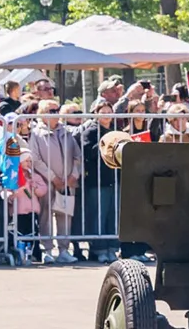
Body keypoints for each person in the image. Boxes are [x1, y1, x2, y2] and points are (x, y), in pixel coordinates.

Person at [28, 100, 83, 263]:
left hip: (68, 182)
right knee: (45, 215)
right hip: (47, 182)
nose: (56, 113)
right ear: (43, 114)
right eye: (52, 111)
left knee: (65, 215)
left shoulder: (66, 132)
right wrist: (53, 178)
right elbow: (35, 159)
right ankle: (47, 250)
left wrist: (74, 175)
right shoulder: (36, 134)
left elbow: (77, 156)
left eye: (57, 110)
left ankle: (64, 250)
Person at [78, 101, 121, 263]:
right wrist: (106, 143)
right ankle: (99, 249)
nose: (106, 114)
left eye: (109, 111)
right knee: (99, 216)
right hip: (98, 181)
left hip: (115, 179)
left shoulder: (116, 131)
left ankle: (112, 248)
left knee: (114, 216)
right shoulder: (90, 132)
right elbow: (88, 153)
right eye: (103, 111)